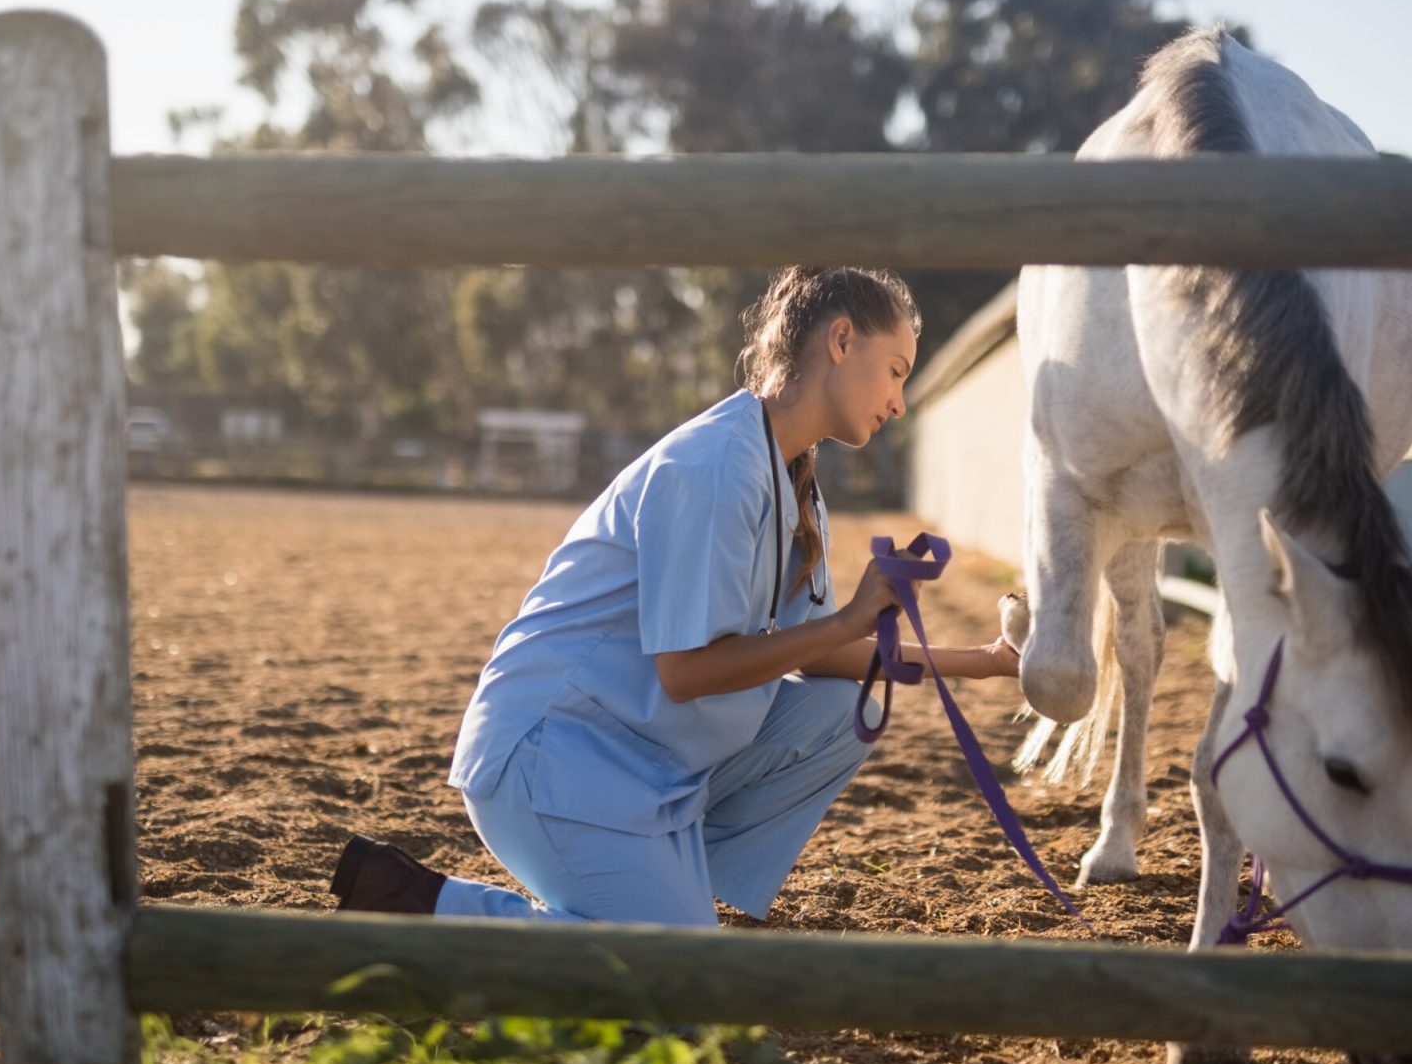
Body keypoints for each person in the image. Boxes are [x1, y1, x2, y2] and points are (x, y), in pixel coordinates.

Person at [330, 266, 1020, 927]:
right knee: (680, 985)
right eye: (896, 370)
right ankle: (415, 906)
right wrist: (849, 615)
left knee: (844, 710)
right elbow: (687, 672)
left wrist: (990, 660)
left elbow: (828, 656)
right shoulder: (717, 464)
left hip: (637, 762)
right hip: (549, 758)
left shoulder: (795, 481)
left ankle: (656, 881)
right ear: (841, 341)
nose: (899, 401)